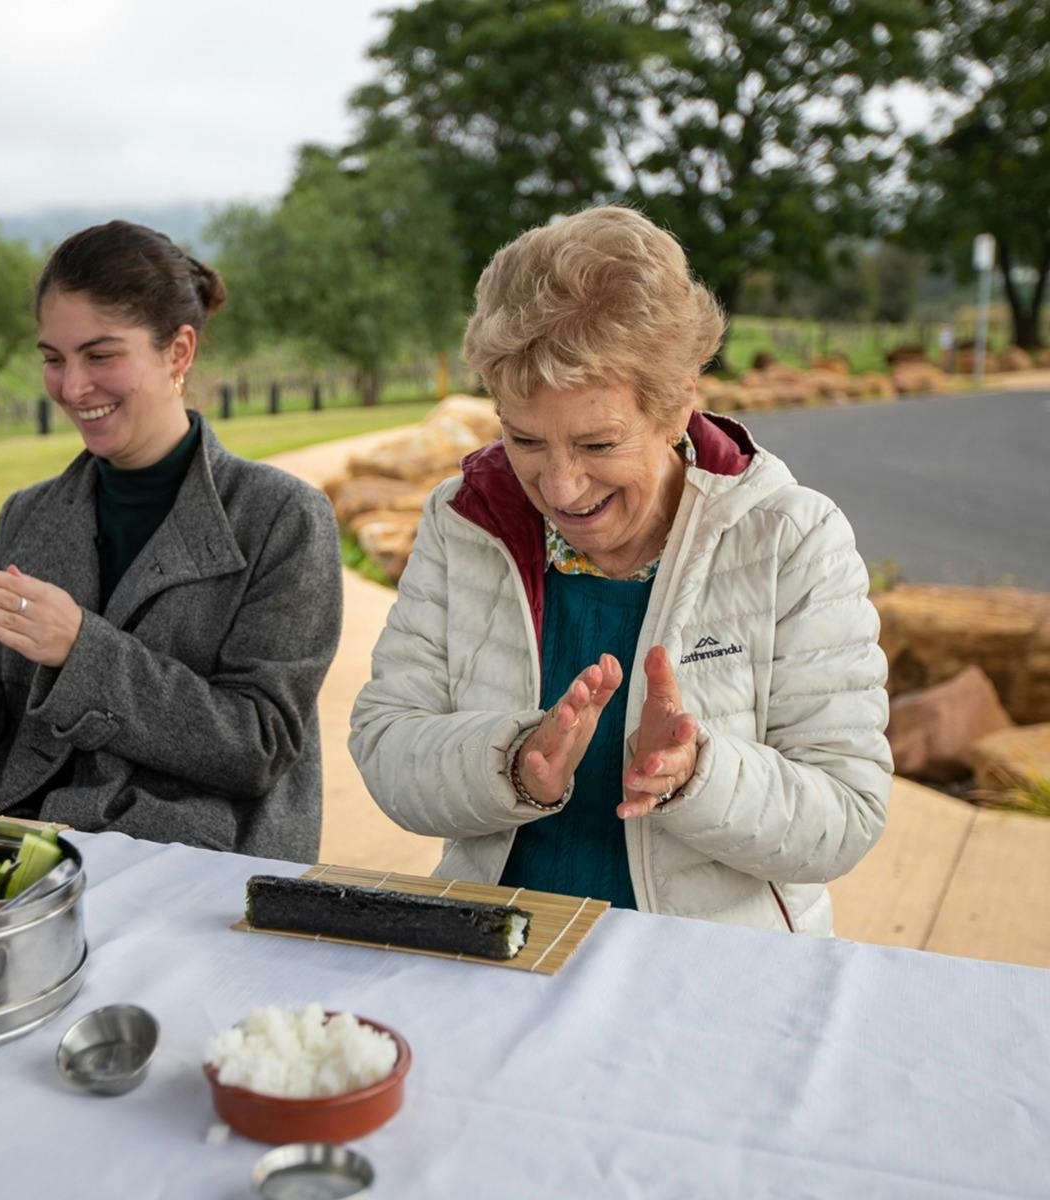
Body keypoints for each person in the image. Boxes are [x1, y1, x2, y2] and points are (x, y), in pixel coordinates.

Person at [349, 206, 891, 933]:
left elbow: (847, 814)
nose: (561, 486)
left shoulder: (792, 538)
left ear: (677, 406)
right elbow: (387, 743)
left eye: (598, 444)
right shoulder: (463, 521)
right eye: (525, 440)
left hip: (705, 973)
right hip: (494, 950)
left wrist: (697, 773)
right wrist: (510, 763)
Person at [0, 221, 342, 861]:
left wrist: (83, 650)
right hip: (38, 846)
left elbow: (259, 747)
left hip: (198, 858)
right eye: (54, 359)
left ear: (178, 352)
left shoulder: (283, 518)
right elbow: (15, 751)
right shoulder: (27, 516)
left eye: (100, 356)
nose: (73, 387)